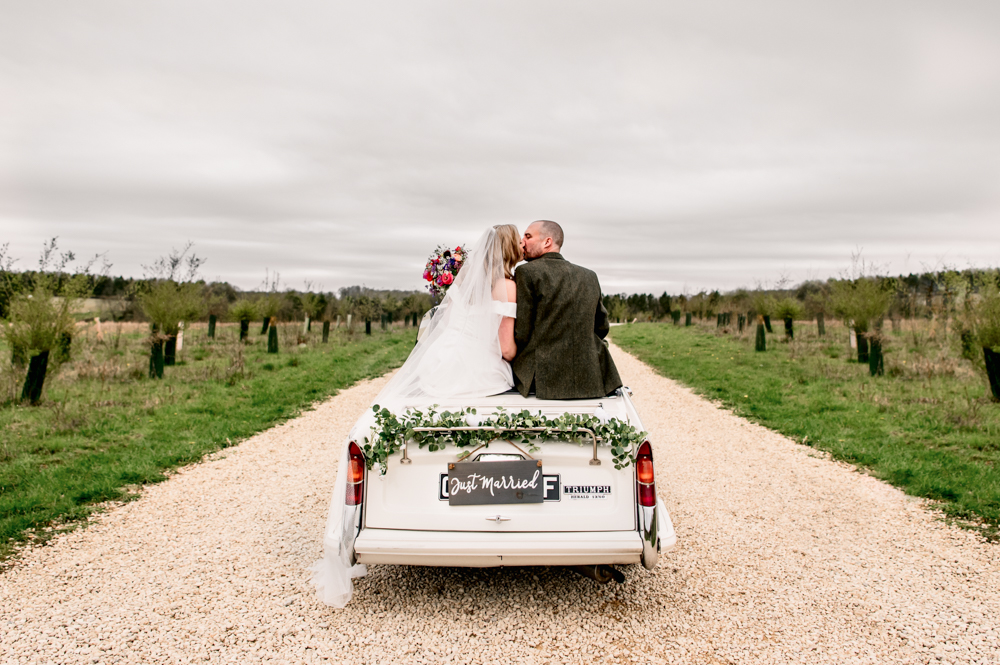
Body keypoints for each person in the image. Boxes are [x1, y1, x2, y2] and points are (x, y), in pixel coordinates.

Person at [374, 224, 522, 406]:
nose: (523, 245)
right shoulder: (506, 286)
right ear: (511, 248)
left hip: (439, 362)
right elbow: (507, 350)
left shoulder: (463, 279)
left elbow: (447, 321)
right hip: (476, 371)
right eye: (519, 241)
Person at [511, 220, 622, 399]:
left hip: (542, 380)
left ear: (547, 242)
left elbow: (522, 333)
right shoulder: (590, 276)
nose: (522, 241)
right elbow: (601, 327)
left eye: (528, 236)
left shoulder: (526, 272)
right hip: (591, 379)